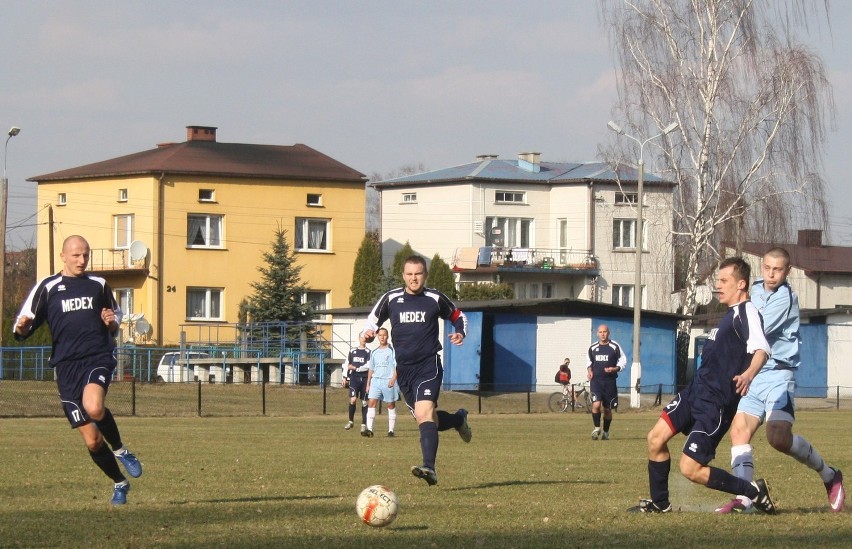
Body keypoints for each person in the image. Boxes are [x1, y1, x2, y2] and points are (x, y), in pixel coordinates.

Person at [636, 257, 775, 514]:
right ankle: (660, 503)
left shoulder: (747, 312)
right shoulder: (729, 315)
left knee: (690, 469)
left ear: (741, 284)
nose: (718, 286)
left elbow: (763, 349)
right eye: (717, 281)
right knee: (655, 439)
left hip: (715, 405)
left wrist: (748, 375)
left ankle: (752, 491)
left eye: (724, 281)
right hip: (693, 394)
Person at [13, 235, 142, 505]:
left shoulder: (99, 285)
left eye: (86, 254)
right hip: (66, 367)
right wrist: (22, 328)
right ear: (63, 256)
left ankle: (121, 450)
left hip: (97, 357)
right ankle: (120, 483)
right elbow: (24, 323)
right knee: (93, 441)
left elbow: (115, 318)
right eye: (76, 255)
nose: (82, 260)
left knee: (94, 407)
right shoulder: (47, 287)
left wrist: (111, 323)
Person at [716, 248, 845, 514]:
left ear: (787, 272)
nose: (771, 274)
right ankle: (745, 498)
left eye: (778, 269)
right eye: (767, 268)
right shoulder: (754, 290)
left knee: (777, 438)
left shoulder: (785, 298)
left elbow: (755, 329)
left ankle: (829, 474)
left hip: (777, 374)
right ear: (762, 267)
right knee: (739, 431)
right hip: (753, 373)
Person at [362, 255, 471, 486]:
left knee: (424, 413)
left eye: (418, 274)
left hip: (428, 366)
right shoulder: (391, 298)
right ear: (403, 275)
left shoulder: (434, 298)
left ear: (425, 275)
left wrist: (460, 332)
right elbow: (372, 320)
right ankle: (458, 419)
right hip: (404, 371)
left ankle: (429, 468)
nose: (414, 278)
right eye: (409, 274)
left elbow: (458, 315)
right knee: (427, 419)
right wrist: (369, 332)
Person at [586, 325, 625, 440]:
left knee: (607, 409)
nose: (602, 334)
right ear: (597, 333)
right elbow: (588, 361)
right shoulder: (592, 348)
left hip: (609, 382)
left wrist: (615, 369)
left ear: (609, 333)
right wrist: (589, 371)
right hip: (596, 382)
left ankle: (606, 432)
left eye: (605, 332)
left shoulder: (614, 346)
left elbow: (623, 360)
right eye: (600, 332)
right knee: (596, 404)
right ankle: (597, 428)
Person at [363, 327, 399, 437]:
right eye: (380, 335)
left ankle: (391, 430)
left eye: (384, 335)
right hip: (376, 381)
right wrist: (368, 383)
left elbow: (397, 366)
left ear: (387, 336)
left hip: (388, 381)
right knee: (371, 403)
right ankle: (369, 429)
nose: (382, 337)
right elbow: (371, 368)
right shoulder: (374, 352)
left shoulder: (392, 350)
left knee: (390, 405)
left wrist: (393, 379)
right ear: (377, 337)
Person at [343, 335, 370, 433]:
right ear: (359, 338)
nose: (364, 339)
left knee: (364, 402)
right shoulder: (352, 351)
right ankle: (350, 421)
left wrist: (356, 368)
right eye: (362, 337)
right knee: (353, 400)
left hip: (365, 379)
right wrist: (345, 377)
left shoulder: (368, 352)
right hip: (354, 378)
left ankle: (363, 424)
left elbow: (368, 366)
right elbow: (347, 364)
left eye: (365, 337)